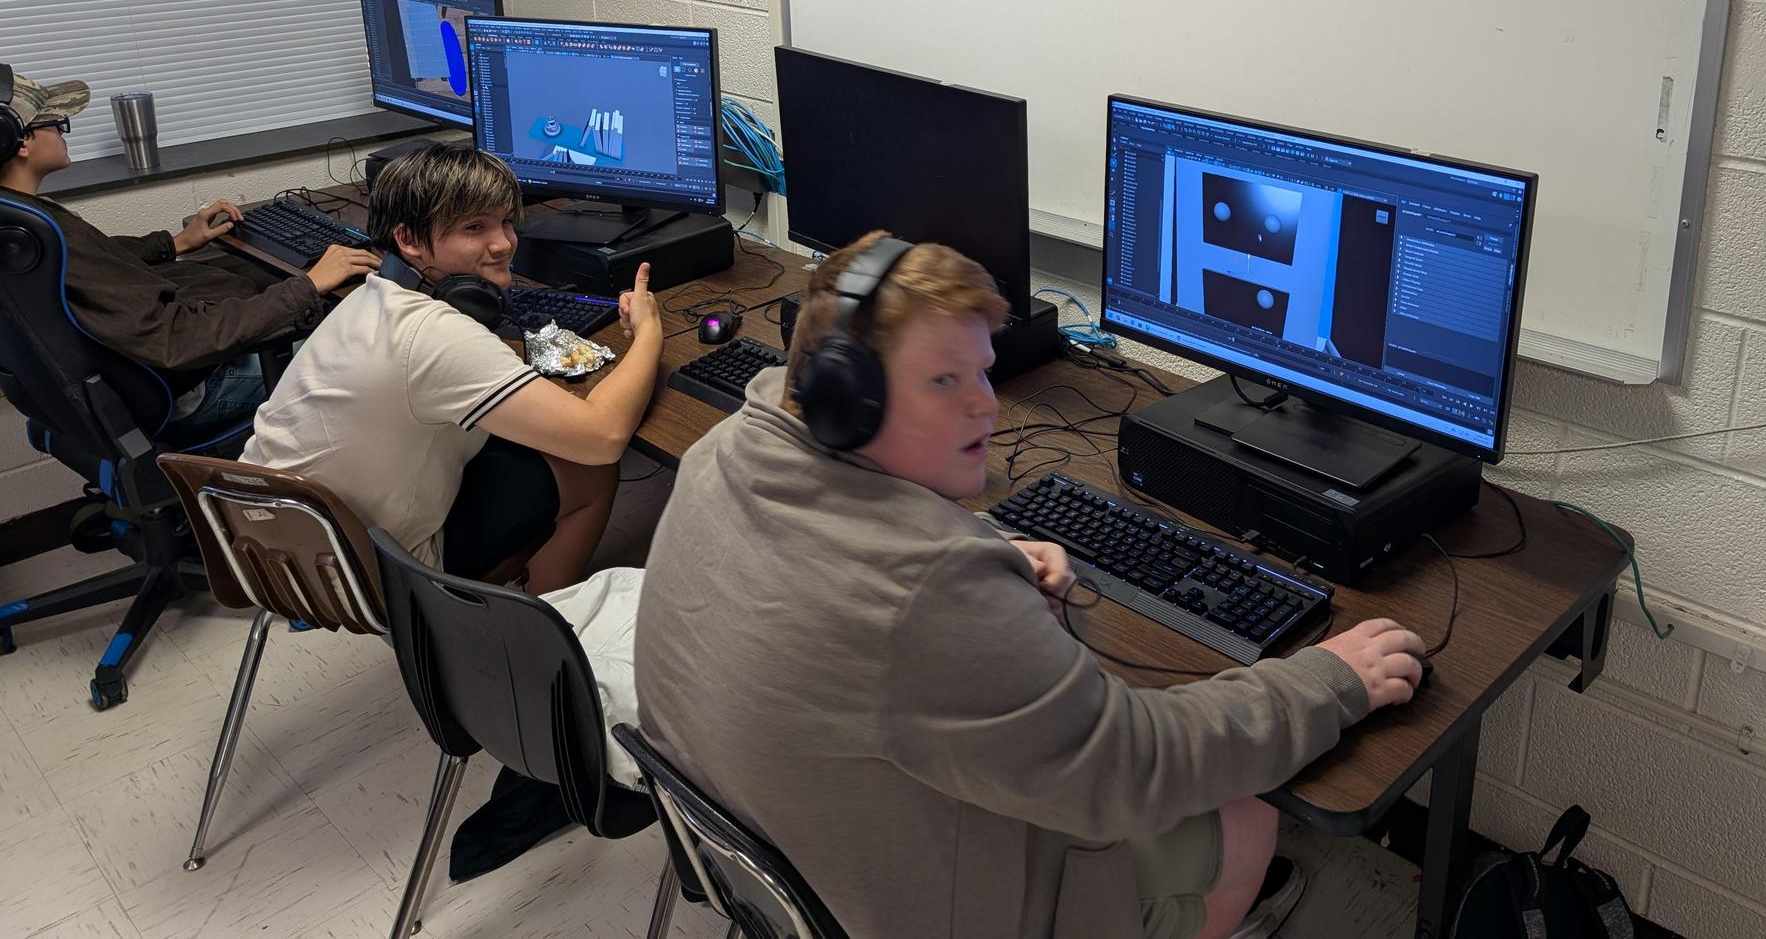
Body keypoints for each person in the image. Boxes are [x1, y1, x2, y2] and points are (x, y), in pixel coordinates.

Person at [631, 231, 1428, 939]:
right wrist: (1332, 680)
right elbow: (1136, 767)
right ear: (850, 400)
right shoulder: (929, 594)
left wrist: (982, 552)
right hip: (924, 903)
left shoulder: (725, 451)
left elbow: (860, 570)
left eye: (984, 371)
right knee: (1254, 810)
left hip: (793, 870)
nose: (988, 405)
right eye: (945, 382)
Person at [240, 144, 662, 592]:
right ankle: (546, 626)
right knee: (590, 468)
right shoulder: (435, 334)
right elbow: (603, 438)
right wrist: (649, 331)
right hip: (359, 574)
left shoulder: (370, 297)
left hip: (264, 540)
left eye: (505, 222)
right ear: (409, 240)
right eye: (474, 228)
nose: (502, 244)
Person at [0, 66, 376, 446]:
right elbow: (177, 339)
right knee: (367, 347)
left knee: (264, 287)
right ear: (17, 141)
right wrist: (309, 285)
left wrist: (176, 242)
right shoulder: (46, 232)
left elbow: (97, 263)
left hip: (124, 389)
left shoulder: (21, 228)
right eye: (56, 123)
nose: (64, 133)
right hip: (192, 392)